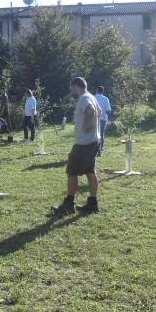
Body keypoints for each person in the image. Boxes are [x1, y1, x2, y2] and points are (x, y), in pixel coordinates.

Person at [53, 77, 101, 215]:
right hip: (94, 140)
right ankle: (92, 203)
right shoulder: (92, 97)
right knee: (90, 171)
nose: (71, 91)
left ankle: (69, 204)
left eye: (71, 89)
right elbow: (100, 113)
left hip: (84, 143)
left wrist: (85, 125)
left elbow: (90, 111)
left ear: (76, 86)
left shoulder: (84, 99)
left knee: (71, 172)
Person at [94, 86, 112, 156]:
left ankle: (95, 150)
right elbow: (108, 110)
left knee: (94, 135)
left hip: (94, 119)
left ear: (96, 90)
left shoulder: (93, 97)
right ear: (103, 91)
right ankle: (100, 150)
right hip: (103, 119)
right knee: (101, 134)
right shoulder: (105, 99)